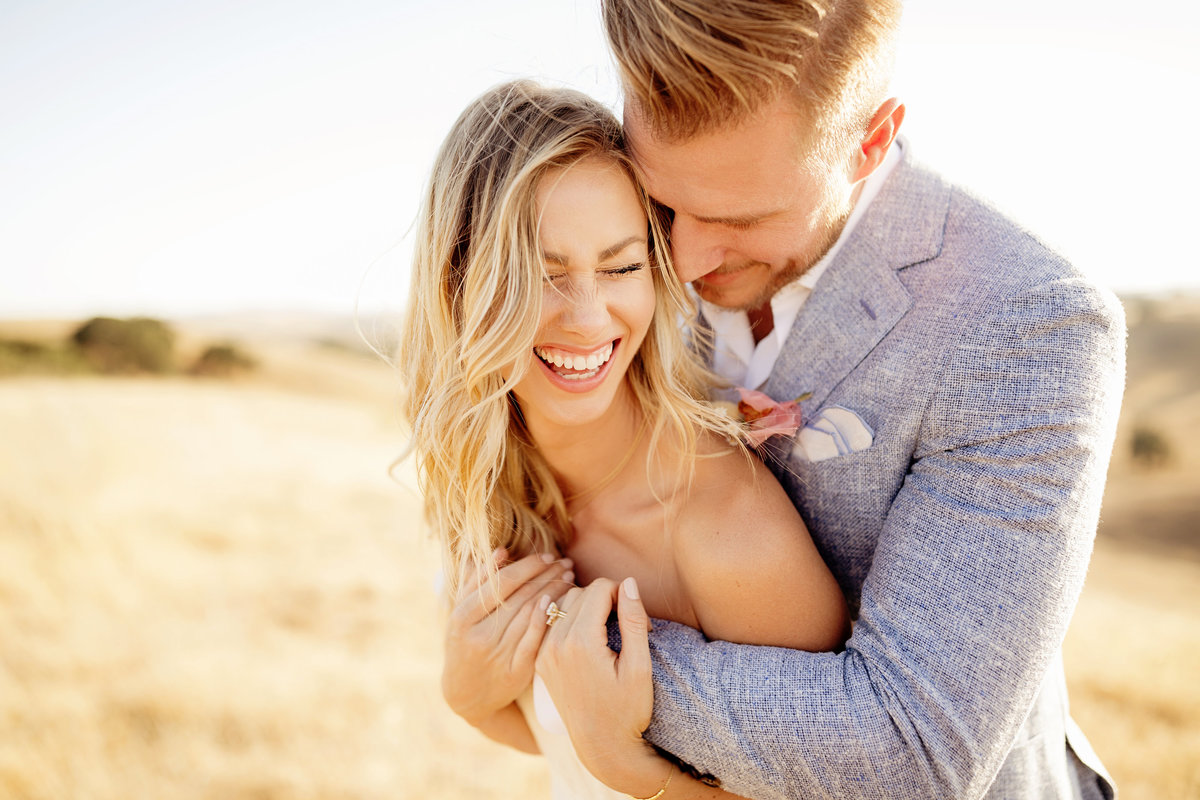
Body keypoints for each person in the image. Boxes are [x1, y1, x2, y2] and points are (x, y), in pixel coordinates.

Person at [534, 1, 1127, 799]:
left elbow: (911, 754)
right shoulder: (620, 253)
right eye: (663, 202)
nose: (678, 257)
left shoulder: (1026, 320)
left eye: (738, 218)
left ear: (868, 142)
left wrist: (564, 641)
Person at [397, 79, 849, 800]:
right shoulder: (488, 488)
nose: (586, 317)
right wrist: (470, 697)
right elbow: (552, 731)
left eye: (620, 267)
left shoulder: (730, 532)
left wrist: (632, 769)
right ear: (459, 285)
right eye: (539, 275)